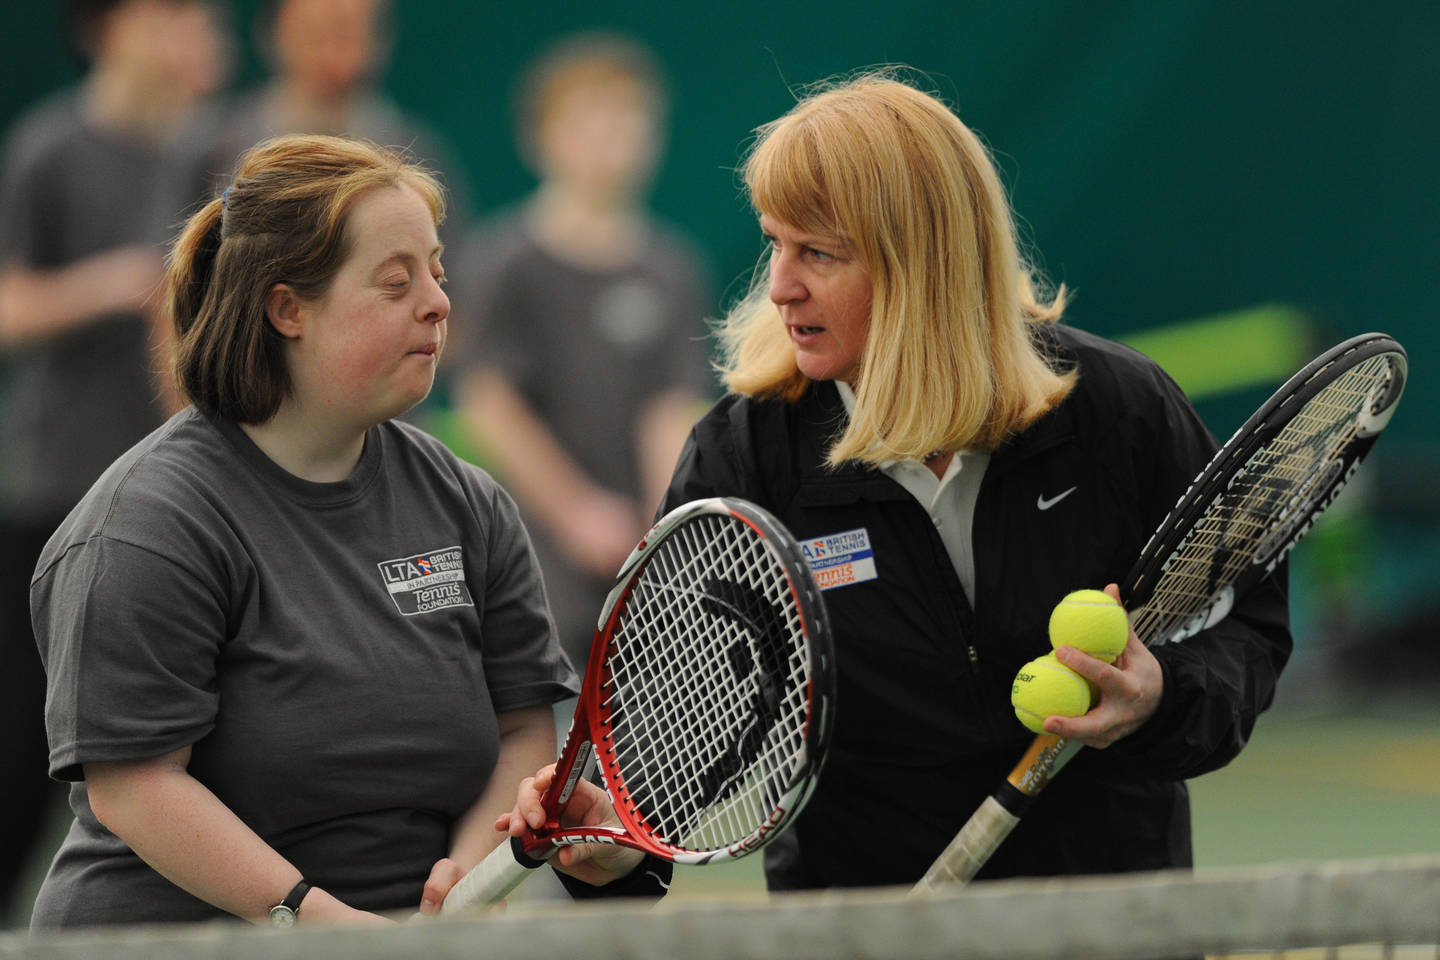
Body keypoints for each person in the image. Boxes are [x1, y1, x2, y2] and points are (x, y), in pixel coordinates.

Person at [657, 73, 1293, 890]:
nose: (780, 285)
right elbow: (671, 718)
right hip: (861, 929)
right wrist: (615, 850)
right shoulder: (744, 454)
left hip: (1113, 922)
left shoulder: (1121, 411)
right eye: (774, 243)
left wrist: (1161, 695)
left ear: (923, 264)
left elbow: (1246, 624)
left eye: (818, 252)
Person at [28, 134, 665, 929]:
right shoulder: (146, 528)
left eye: (437, 270)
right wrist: (317, 922)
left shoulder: (470, 504)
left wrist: (464, 878)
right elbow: (136, 788)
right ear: (286, 308)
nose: (438, 302)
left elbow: (521, 729)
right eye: (396, 282)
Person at [0, 0, 229, 918]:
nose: (189, 31)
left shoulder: (221, 150)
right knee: (24, 749)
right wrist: (109, 284)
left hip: (183, 508)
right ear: (108, 28)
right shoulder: (51, 146)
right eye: (166, 13)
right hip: (55, 496)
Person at [451, 33, 712, 678]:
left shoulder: (674, 267)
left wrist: (660, 534)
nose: (612, 135)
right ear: (542, 137)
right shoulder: (504, 260)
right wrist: (577, 515)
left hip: (645, 575)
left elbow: (670, 408)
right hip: (536, 565)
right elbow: (488, 404)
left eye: (629, 118)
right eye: (590, 118)